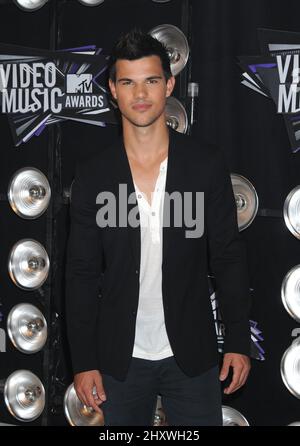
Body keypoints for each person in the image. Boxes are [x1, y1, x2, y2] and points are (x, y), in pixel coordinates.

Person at [65, 29, 251, 426]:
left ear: (169, 84)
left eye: (151, 80)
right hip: (118, 359)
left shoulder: (205, 164)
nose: (140, 94)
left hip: (191, 355)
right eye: (128, 82)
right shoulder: (95, 174)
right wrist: (83, 361)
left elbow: (228, 256)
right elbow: (79, 274)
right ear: (113, 90)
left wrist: (237, 339)